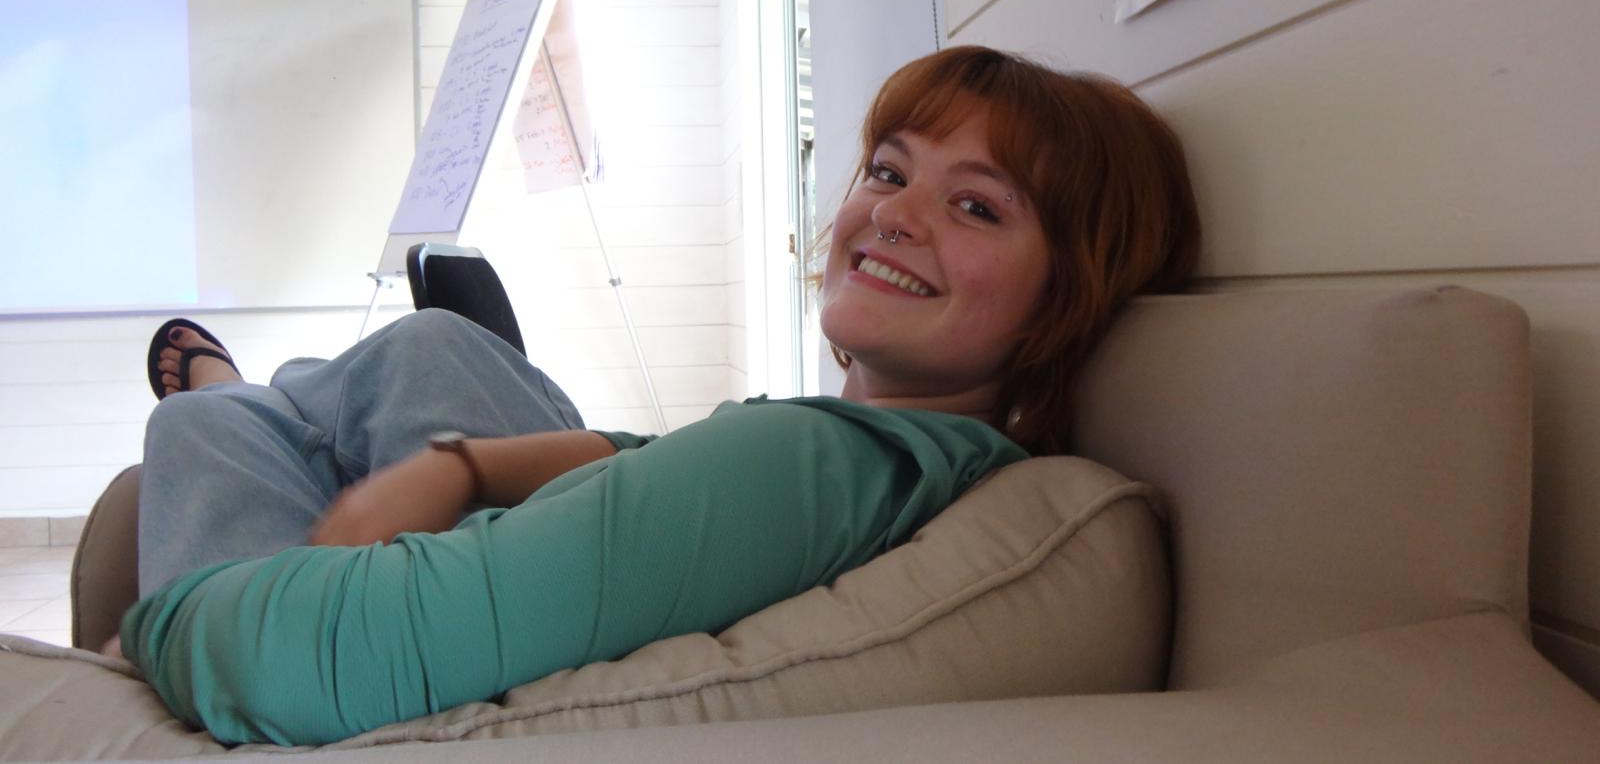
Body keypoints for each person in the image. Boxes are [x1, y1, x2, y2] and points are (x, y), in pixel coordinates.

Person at [116, 45, 1200, 746]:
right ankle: (274, 401)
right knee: (431, 341)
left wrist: (149, 630)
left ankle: (239, 394)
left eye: (976, 207)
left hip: (350, 637)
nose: (893, 215)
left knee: (202, 427)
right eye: (886, 170)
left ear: (1068, 296)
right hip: (509, 527)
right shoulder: (891, 449)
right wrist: (467, 463)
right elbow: (655, 468)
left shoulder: (810, 466)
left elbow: (277, 661)